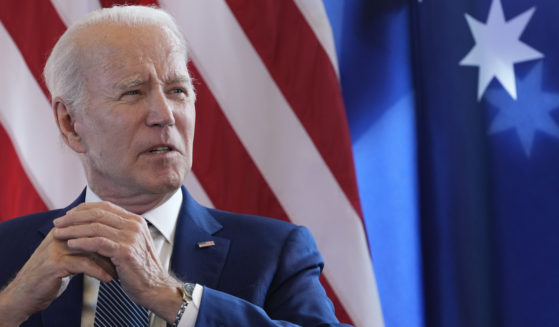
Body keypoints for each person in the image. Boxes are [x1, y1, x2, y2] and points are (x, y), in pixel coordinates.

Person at [0, 5, 348, 327]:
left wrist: (172, 298)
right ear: (70, 123)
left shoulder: (274, 253)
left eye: (178, 90)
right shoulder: (8, 250)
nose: (165, 115)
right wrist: (11, 305)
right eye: (133, 92)